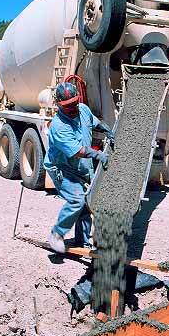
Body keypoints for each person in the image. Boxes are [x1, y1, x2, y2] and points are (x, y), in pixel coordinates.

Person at [44, 82, 115, 254]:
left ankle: (82, 242)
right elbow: (78, 151)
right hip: (62, 169)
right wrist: (98, 155)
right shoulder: (59, 126)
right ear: (59, 105)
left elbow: (94, 122)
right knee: (77, 200)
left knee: (87, 202)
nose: (73, 108)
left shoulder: (82, 109)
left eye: (75, 102)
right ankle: (57, 234)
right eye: (67, 106)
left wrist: (109, 131)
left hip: (82, 166)